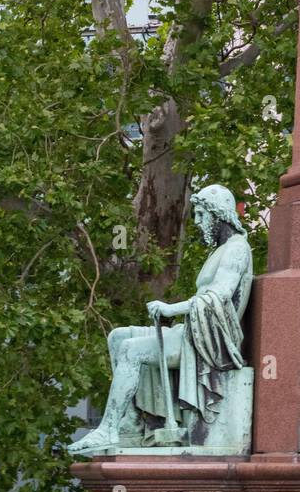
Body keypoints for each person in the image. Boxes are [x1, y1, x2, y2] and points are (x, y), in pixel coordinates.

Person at [72, 184, 253, 455]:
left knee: (130, 350)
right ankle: (129, 422)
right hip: (193, 331)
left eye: (202, 215)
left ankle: (107, 428)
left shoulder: (237, 248)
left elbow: (219, 296)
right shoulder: (219, 250)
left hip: (209, 342)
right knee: (118, 336)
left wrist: (170, 309)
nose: (199, 222)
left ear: (218, 215)